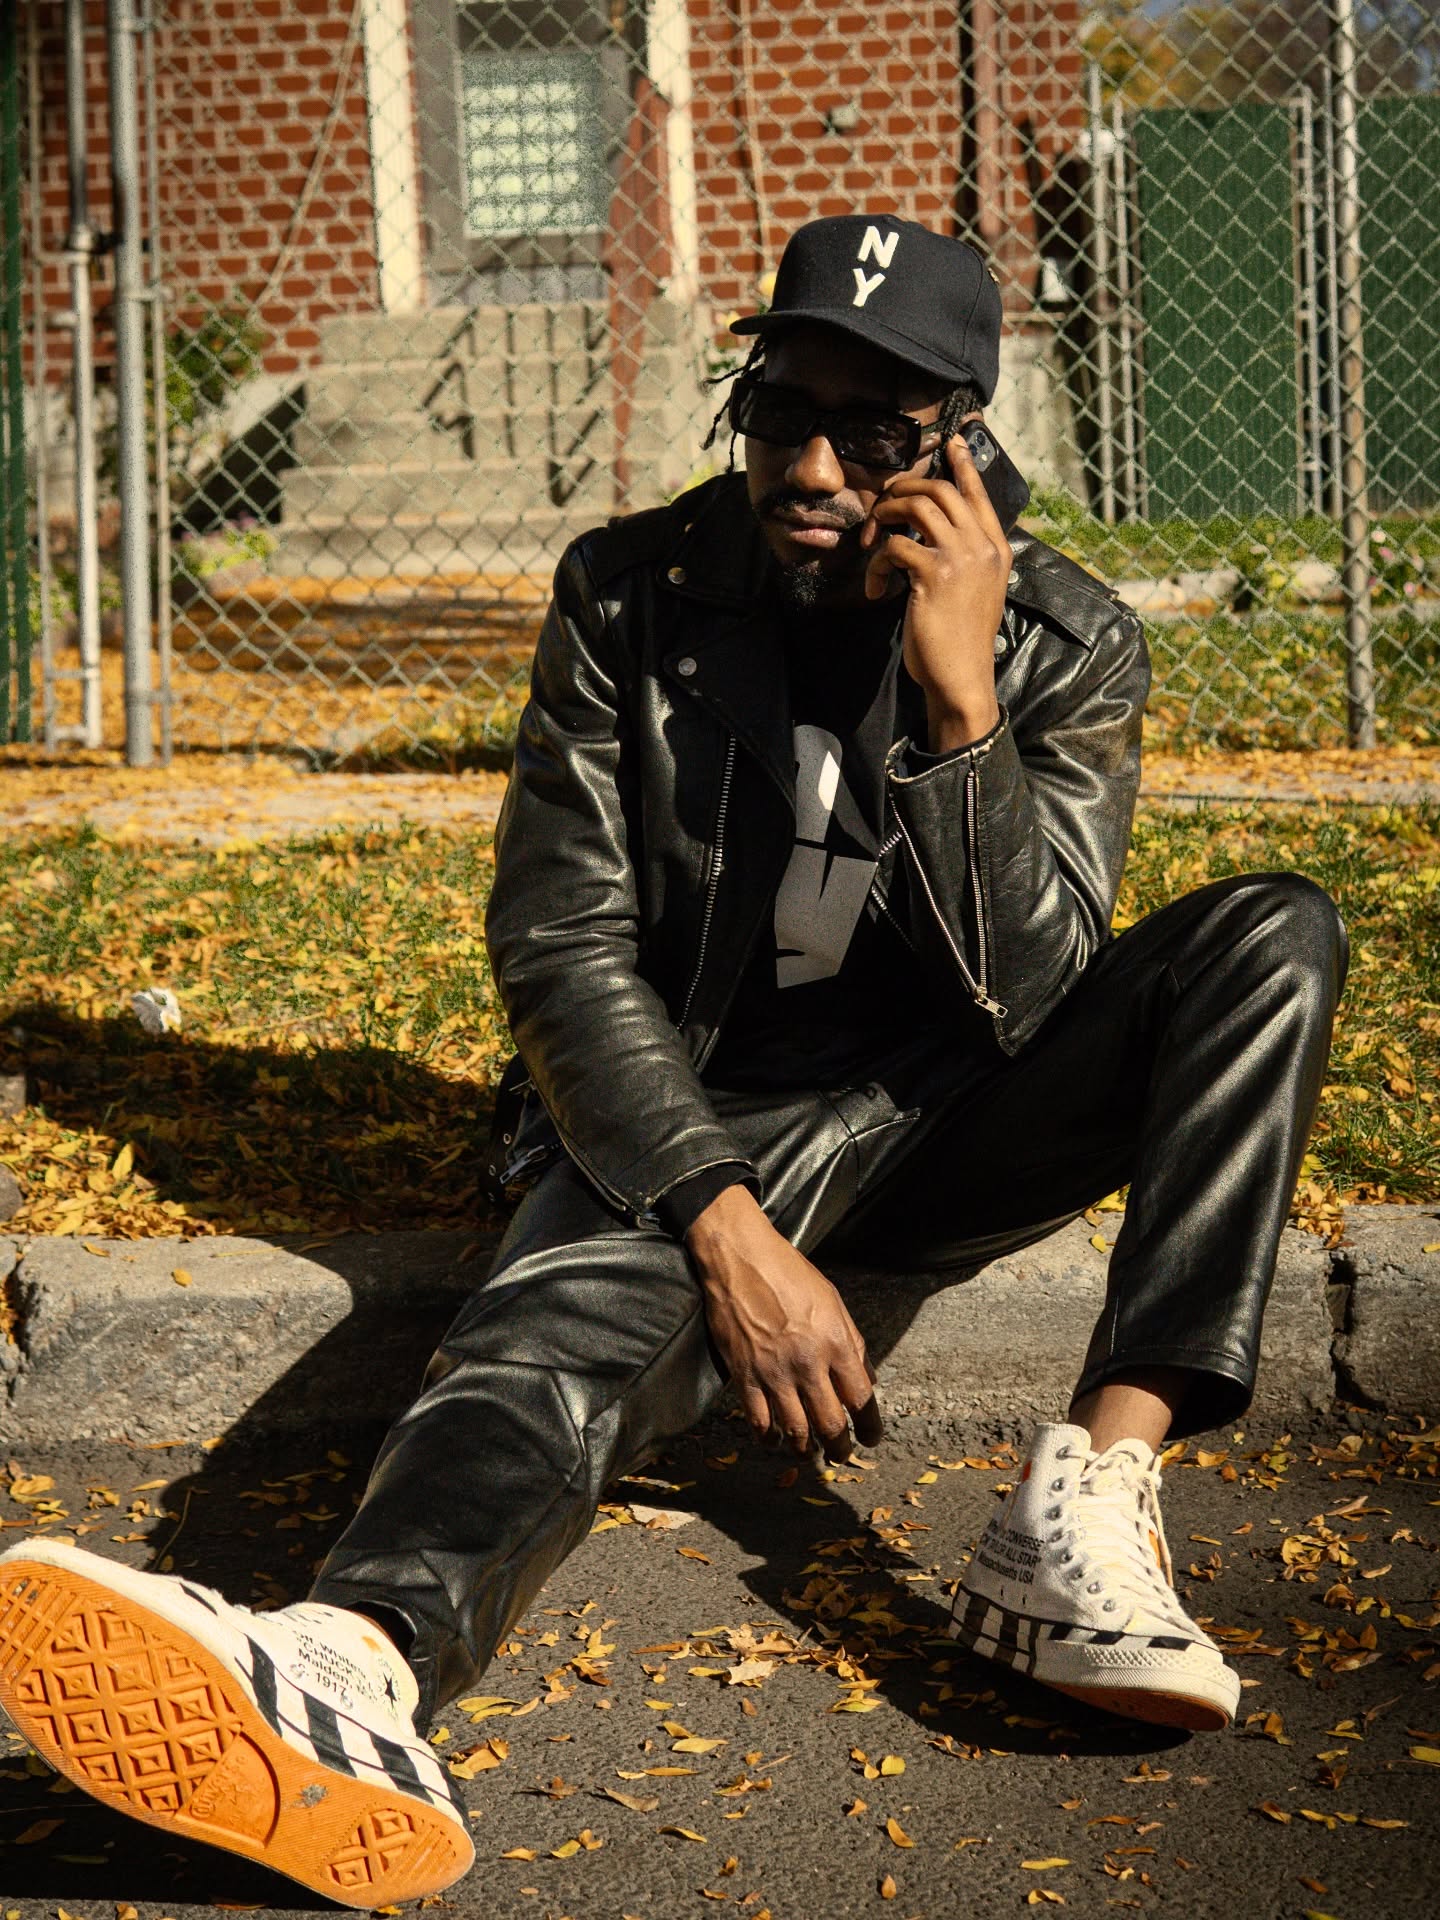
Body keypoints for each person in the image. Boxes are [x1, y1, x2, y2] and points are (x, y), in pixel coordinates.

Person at [0, 215, 1347, 1906]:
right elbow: (559, 946)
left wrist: (959, 717)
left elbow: (1031, 995)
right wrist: (731, 1229)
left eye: (874, 431)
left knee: (1270, 935)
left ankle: (1090, 1497)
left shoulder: (1063, 640)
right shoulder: (629, 594)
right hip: (693, 1104)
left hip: (941, 1112)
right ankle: (351, 1665)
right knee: (554, 1326)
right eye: (782, 402)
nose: (810, 461)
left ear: (959, 447)